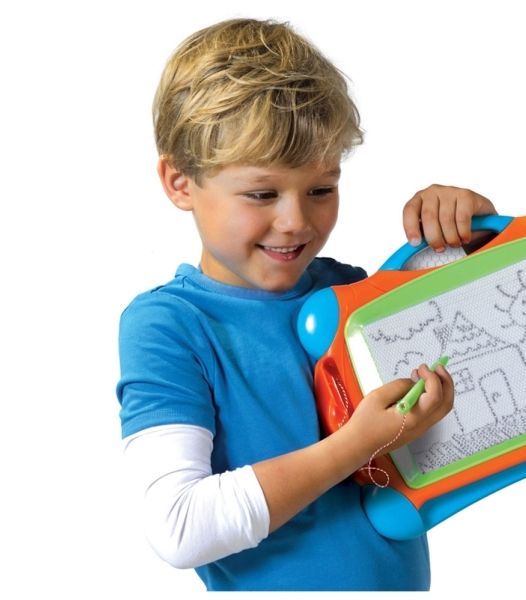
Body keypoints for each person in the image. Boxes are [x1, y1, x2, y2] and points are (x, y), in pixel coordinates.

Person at [116, 18, 496, 591]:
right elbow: (180, 526)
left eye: (321, 189)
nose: (296, 220)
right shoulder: (168, 326)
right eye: (261, 193)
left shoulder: (351, 291)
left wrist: (470, 236)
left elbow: (488, 351)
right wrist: (357, 444)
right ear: (180, 182)